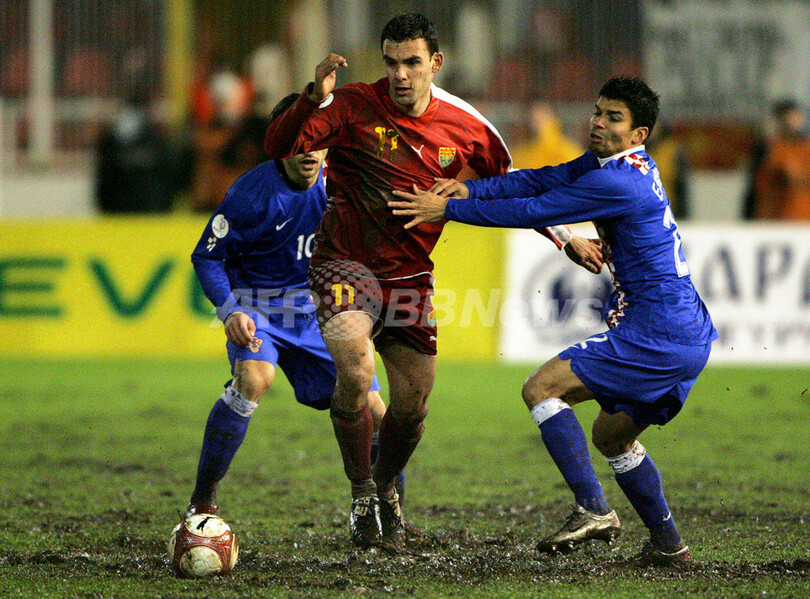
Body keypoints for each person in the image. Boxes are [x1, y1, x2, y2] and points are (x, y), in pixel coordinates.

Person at [263, 12, 603, 549]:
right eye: (391, 62)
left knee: (413, 407)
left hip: (409, 277)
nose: (400, 74)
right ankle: (361, 495)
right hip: (343, 263)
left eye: (412, 62)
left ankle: (385, 490)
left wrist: (566, 238)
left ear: (435, 63)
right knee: (356, 369)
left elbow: (510, 186)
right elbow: (278, 146)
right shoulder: (350, 105)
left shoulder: (466, 125)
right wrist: (311, 97)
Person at [389, 76, 717, 567]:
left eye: (613, 118)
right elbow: (540, 179)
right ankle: (670, 547)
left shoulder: (616, 181)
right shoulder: (620, 165)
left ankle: (593, 508)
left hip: (658, 331)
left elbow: (533, 209)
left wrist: (449, 208)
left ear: (639, 134)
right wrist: (471, 187)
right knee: (611, 437)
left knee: (541, 389)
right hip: (686, 333)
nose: (598, 122)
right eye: (598, 111)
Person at [186, 93, 389, 518]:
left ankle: (387, 511)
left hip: (317, 312)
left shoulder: (344, 185)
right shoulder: (250, 194)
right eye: (298, 142)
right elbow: (207, 257)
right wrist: (230, 310)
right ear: (280, 145)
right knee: (253, 380)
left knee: (375, 411)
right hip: (258, 309)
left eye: (318, 141)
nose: (309, 152)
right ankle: (202, 501)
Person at [745, 99, 810, 220]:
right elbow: (755, 187)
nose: (792, 123)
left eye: (796, 118)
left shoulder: (806, 148)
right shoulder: (768, 148)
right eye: (786, 119)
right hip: (774, 218)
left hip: (803, 217)